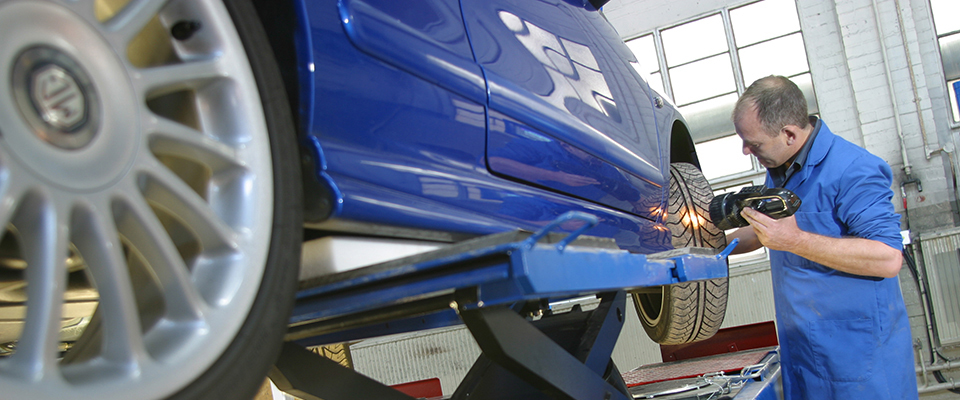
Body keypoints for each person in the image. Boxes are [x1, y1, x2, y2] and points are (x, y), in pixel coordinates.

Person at [726, 76, 918, 399]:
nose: (746, 150)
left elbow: (888, 257)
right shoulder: (781, 168)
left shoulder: (853, 170)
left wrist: (795, 240)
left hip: (859, 364)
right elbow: (766, 229)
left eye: (753, 143)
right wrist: (715, 245)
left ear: (788, 134)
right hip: (805, 356)